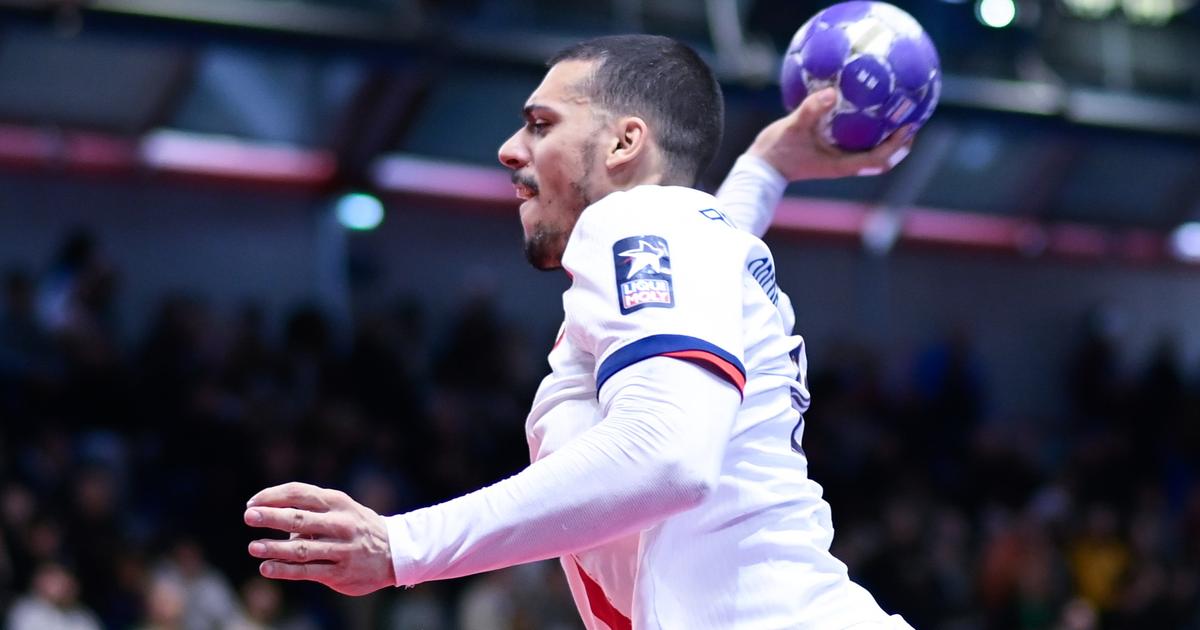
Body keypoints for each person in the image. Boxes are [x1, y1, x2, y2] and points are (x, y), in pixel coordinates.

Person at [244, 34, 914, 628]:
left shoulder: (641, 222)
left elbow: (665, 453)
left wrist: (402, 548)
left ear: (625, 143)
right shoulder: (694, 243)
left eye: (542, 124)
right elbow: (703, 245)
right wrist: (765, 167)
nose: (510, 150)